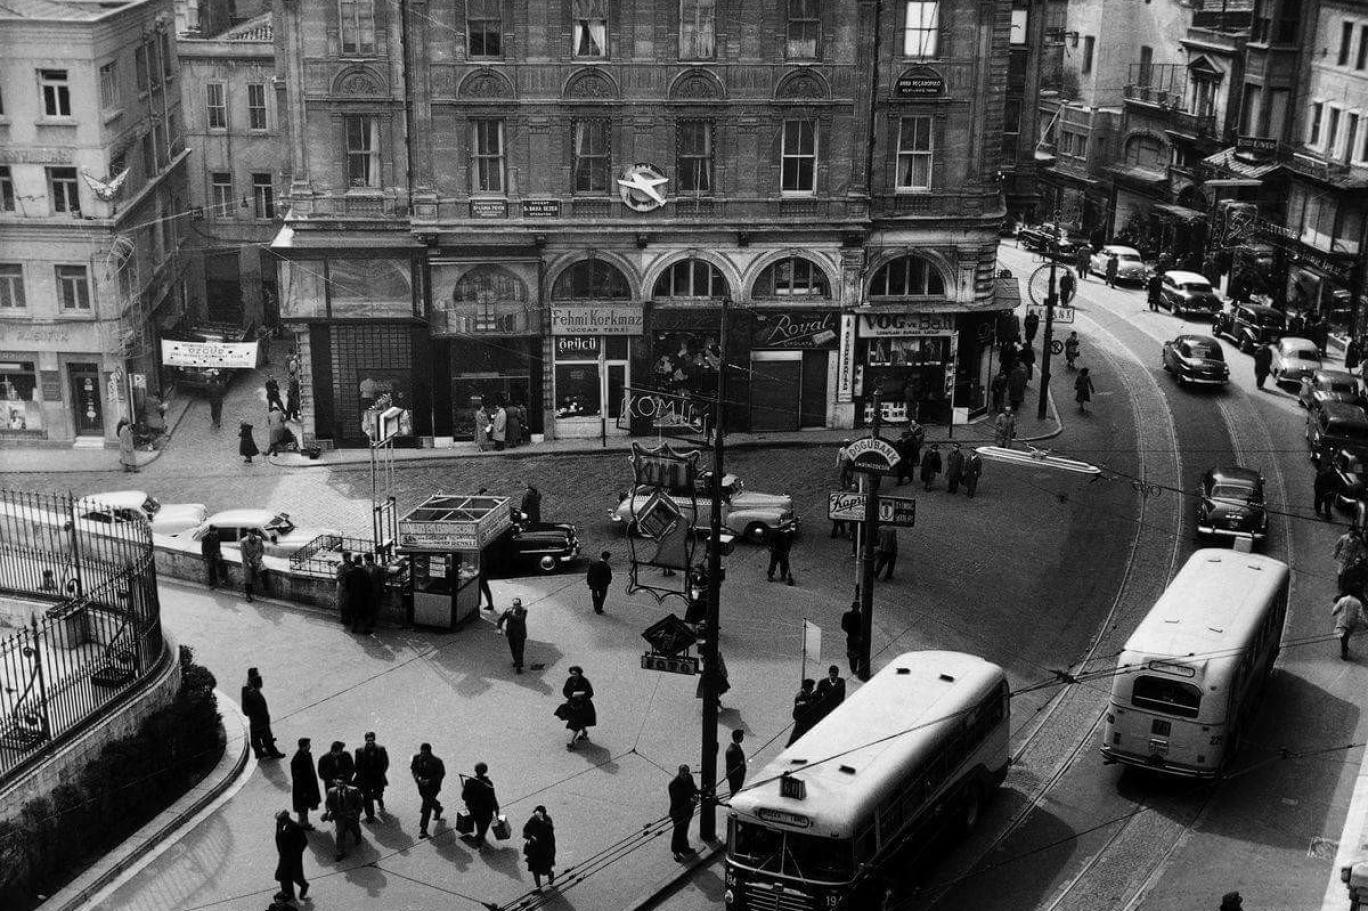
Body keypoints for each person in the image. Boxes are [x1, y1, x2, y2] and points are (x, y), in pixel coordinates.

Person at [242, 668, 285, 760]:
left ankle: (259, 753)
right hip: (260, 720)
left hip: (254, 720)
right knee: (267, 737)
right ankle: (272, 753)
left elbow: (246, 708)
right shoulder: (252, 693)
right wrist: (264, 718)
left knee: (256, 736)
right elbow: (257, 708)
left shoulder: (247, 690)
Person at [410, 742, 446, 839]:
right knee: (429, 802)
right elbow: (414, 769)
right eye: (422, 752)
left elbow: (441, 774)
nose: (423, 754)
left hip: (433, 787)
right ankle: (438, 808)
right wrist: (418, 778)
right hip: (422, 787)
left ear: (429, 752)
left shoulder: (437, 762)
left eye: (425, 752)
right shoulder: (416, 758)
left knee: (426, 806)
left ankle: (423, 829)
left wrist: (429, 780)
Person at [273, 810, 309, 903]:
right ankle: (287, 893)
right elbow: (278, 837)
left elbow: (304, 841)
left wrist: (296, 853)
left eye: (280, 819)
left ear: (286, 818)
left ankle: (304, 886)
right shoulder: (280, 825)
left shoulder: (295, 827)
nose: (278, 821)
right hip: (284, 856)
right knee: (283, 875)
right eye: (278, 820)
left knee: (296, 876)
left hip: (293, 857)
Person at [461, 761, 500, 846]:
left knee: (479, 824)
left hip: (473, 809)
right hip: (486, 811)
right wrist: (497, 809)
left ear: (475, 770)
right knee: (483, 827)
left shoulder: (469, 782)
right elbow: (493, 798)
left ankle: (479, 837)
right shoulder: (488, 783)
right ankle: (480, 839)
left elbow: (464, 797)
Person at [324, 776, 364, 860]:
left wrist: (356, 814)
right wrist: (329, 811)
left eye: (342, 783)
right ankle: (340, 852)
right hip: (339, 816)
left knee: (355, 828)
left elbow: (359, 804)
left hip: (351, 815)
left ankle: (358, 836)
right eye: (338, 783)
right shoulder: (331, 791)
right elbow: (328, 803)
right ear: (335, 783)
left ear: (345, 783)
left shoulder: (354, 790)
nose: (340, 785)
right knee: (340, 833)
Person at [353, 732, 389, 822]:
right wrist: (361, 776)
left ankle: (379, 799)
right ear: (366, 740)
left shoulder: (381, 749)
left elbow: (386, 762)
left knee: (378, 793)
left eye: (371, 740)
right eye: (368, 740)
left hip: (378, 776)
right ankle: (370, 815)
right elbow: (357, 765)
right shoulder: (359, 750)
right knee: (367, 797)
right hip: (365, 778)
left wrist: (381, 772)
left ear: (374, 740)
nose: (370, 742)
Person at [559, 666, 596, 748]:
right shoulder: (569, 680)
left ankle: (571, 741)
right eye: (572, 674)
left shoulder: (585, 681)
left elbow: (590, 693)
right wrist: (571, 696)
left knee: (576, 723)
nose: (573, 675)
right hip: (573, 704)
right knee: (579, 721)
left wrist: (581, 696)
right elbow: (565, 691)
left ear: (579, 673)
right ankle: (584, 732)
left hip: (583, 705)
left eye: (575, 674)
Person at [667, 764, 698, 860]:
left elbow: (693, 789)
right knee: (678, 831)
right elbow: (677, 800)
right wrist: (690, 800)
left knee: (684, 829)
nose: (686, 775)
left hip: (688, 810)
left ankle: (685, 848)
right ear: (679, 773)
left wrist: (697, 794)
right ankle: (676, 851)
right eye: (683, 774)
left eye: (687, 773)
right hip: (678, 812)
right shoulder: (673, 785)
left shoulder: (689, 777)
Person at [523, 806, 557, 890]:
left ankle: (551, 883)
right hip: (534, 850)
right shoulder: (533, 819)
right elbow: (525, 831)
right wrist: (530, 836)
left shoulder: (547, 820)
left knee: (548, 868)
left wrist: (541, 821)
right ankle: (538, 886)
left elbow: (549, 833)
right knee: (535, 870)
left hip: (546, 850)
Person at [290, 738, 321, 830]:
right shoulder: (297, 759)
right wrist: (303, 791)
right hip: (302, 790)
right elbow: (297, 778)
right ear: (304, 746)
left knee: (304, 807)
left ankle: (303, 823)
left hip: (307, 787)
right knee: (303, 808)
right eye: (308, 744)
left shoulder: (305, 755)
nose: (309, 746)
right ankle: (303, 824)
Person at [496, 598, 529, 673]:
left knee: (519, 650)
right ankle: (516, 661)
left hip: (520, 634)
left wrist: (513, 614)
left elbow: (521, 619)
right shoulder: (508, 611)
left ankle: (519, 666)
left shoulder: (523, 611)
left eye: (517, 604)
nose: (516, 606)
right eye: (514, 604)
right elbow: (501, 619)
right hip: (511, 633)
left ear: (520, 605)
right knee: (513, 649)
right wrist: (499, 628)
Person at [1334, 591, 1364, 660]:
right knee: (1346, 637)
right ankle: (1345, 648)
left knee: (1343, 638)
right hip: (1350, 624)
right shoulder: (1355, 602)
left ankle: (1344, 654)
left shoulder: (1344, 600)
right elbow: (1360, 615)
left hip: (1343, 623)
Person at [787, 679, 819, 746]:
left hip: (809, 720)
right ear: (806, 688)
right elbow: (801, 705)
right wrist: (809, 701)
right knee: (797, 738)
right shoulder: (800, 696)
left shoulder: (812, 695)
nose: (812, 689)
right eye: (810, 687)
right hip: (801, 720)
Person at [360, 553, 384, 633]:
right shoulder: (365, 567)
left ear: (367, 559)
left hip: (374, 590)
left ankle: (372, 621)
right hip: (369, 591)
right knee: (369, 607)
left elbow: (381, 580)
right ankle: (369, 622)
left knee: (373, 607)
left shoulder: (376, 568)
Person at [241, 529, 265, 603]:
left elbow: (262, 550)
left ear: (254, 534)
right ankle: (248, 595)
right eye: (248, 535)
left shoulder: (259, 539)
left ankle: (264, 591)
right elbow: (243, 554)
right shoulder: (243, 541)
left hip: (256, 560)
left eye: (251, 535)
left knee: (263, 572)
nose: (249, 536)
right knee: (248, 578)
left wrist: (259, 558)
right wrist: (249, 562)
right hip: (247, 562)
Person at [841, 601, 864, 677]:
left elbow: (844, 626)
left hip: (856, 638)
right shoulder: (857, 616)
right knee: (853, 655)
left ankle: (855, 671)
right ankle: (854, 671)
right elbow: (844, 626)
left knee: (856, 655)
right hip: (853, 637)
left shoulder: (860, 616)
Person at [724, 730, 747, 797]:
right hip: (735, 776)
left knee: (736, 792)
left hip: (737, 776)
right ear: (739, 738)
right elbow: (732, 765)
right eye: (741, 737)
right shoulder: (732, 750)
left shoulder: (736, 747)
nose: (742, 738)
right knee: (735, 793)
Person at [335, 551, 355, 628]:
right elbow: (339, 577)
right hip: (344, 588)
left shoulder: (351, 564)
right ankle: (344, 619)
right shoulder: (341, 565)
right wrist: (346, 583)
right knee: (344, 604)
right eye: (349, 556)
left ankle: (348, 619)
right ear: (346, 557)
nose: (350, 558)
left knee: (348, 603)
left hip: (349, 587)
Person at [201, 524, 224, 589]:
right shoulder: (205, 538)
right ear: (212, 531)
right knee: (211, 569)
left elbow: (218, 546)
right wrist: (205, 557)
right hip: (209, 556)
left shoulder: (217, 536)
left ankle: (219, 581)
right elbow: (203, 548)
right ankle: (212, 583)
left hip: (215, 554)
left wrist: (219, 554)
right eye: (215, 531)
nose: (216, 532)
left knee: (221, 566)